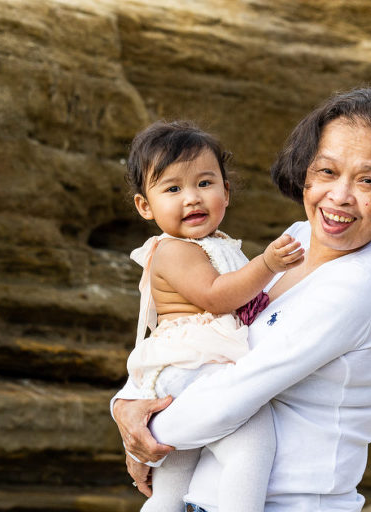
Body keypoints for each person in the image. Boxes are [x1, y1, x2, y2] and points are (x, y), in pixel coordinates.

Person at [112, 83, 371, 512]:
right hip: (202, 497)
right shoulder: (296, 240)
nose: (339, 196)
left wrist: (146, 434)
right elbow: (189, 335)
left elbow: (234, 391)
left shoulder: (357, 285)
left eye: (367, 180)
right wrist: (126, 405)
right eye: (327, 171)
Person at [117, 120, 305, 512]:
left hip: (196, 368)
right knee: (252, 439)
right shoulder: (173, 251)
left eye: (204, 183)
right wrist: (267, 264)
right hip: (192, 366)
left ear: (227, 191)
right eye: (173, 188)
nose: (192, 198)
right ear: (144, 206)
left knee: (172, 482)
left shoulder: (216, 245)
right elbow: (217, 297)